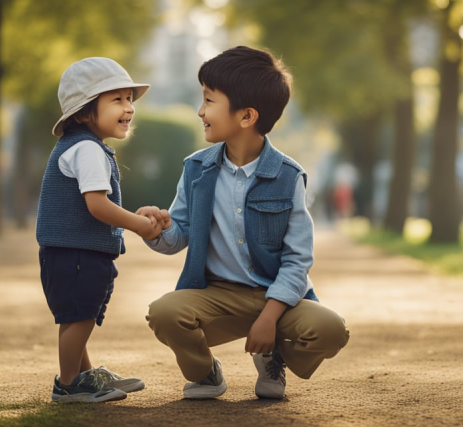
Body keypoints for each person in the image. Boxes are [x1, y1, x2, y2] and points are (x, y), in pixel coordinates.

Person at [138, 46, 350, 400]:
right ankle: (206, 374)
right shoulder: (196, 168)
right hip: (217, 296)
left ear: (247, 116)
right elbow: (178, 235)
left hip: (278, 300)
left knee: (331, 330)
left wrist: (270, 316)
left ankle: (275, 357)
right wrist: (156, 230)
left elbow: (297, 259)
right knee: (164, 313)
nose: (200, 111)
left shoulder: (288, 176)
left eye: (209, 101)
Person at [36, 57, 166, 403]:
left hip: (68, 251)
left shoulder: (81, 147)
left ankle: (82, 375)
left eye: (129, 99)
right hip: (76, 253)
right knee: (81, 316)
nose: (129, 108)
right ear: (82, 113)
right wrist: (140, 226)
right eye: (117, 100)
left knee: (79, 315)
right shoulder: (87, 150)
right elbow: (97, 205)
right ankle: (68, 384)